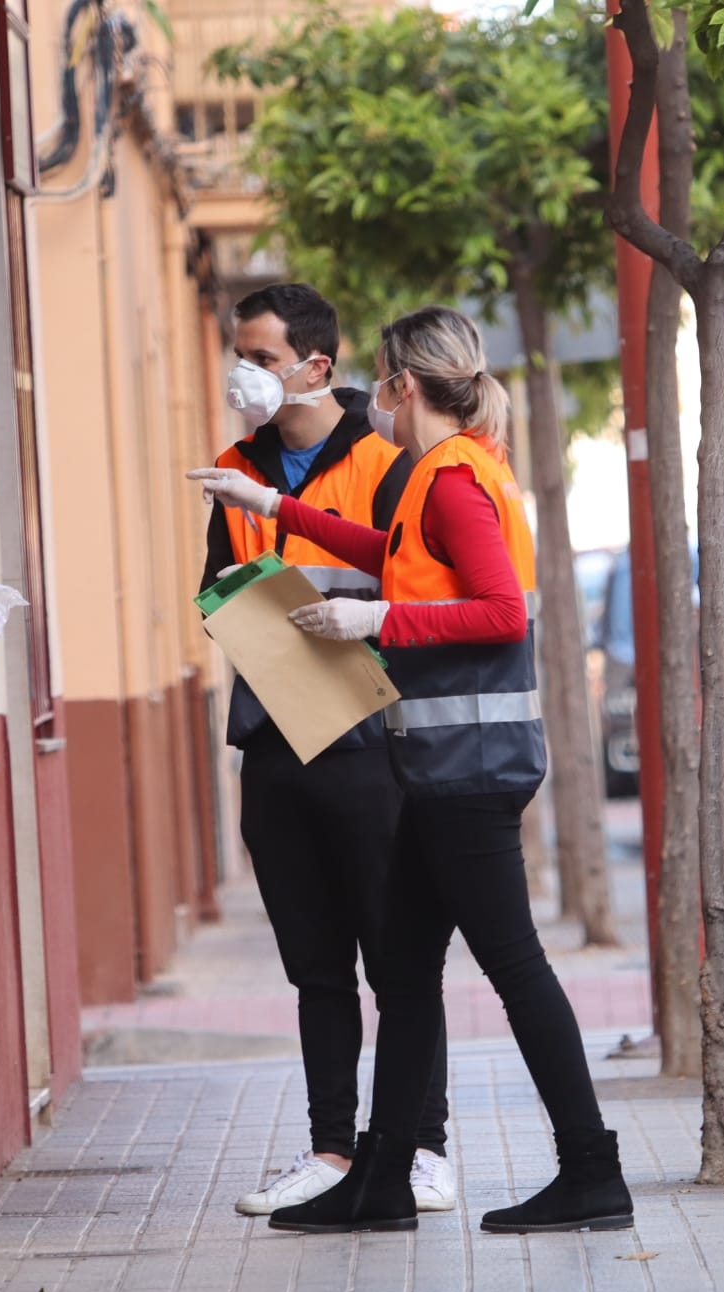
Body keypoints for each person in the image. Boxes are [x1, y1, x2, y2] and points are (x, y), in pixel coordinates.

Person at [188, 305, 633, 1235]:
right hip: (440, 770)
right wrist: (272, 509)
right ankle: (383, 1177)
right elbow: (384, 551)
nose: (376, 401)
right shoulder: (441, 473)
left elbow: (501, 613)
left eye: (383, 382)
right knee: (408, 972)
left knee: (514, 966)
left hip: (470, 771)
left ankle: (592, 1169)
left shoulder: (455, 478)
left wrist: (376, 620)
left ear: (403, 383)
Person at [201, 284, 455, 1218]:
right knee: (314, 966)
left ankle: (421, 1146)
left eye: (261, 358)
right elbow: (214, 589)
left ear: (317, 364)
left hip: (373, 740)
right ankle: (331, 1149)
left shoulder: (389, 460)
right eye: (239, 355)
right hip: (276, 738)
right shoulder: (234, 467)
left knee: (399, 962)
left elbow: (419, 590)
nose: (245, 374)